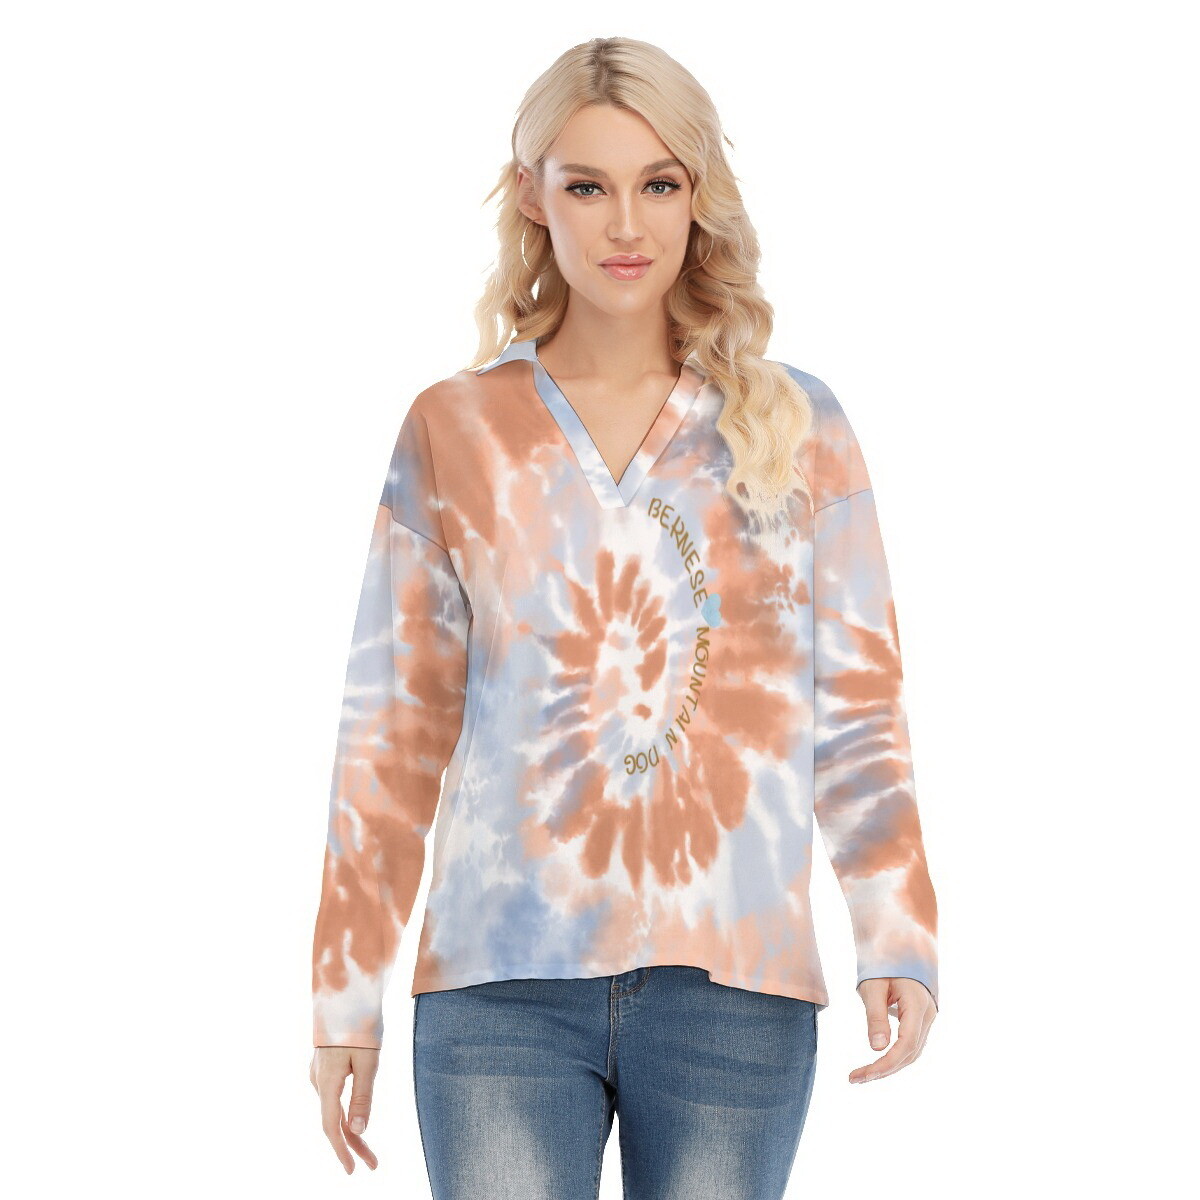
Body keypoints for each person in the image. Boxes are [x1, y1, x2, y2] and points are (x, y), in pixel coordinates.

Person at [309, 35, 939, 1198]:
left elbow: (856, 702)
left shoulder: (796, 426)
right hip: (498, 988)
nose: (626, 225)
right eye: (587, 186)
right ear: (531, 196)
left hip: (736, 985)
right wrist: (344, 992)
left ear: (699, 195)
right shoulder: (456, 428)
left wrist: (895, 928)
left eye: (659, 183)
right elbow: (392, 728)